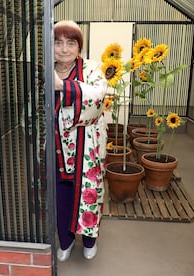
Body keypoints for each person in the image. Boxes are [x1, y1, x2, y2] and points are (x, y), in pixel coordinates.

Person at [53, 20, 108, 261]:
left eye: (70, 43)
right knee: (61, 196)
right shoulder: (45, 70)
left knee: (89, 193)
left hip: (87, 146)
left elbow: (98, 96)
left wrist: (63, 86)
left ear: (79, 46)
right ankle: (65, 242)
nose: (64, 49)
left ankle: (89, 240)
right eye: (58, 42)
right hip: (56, 149)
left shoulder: (92, 68)